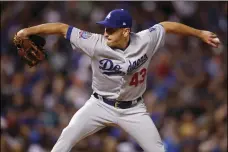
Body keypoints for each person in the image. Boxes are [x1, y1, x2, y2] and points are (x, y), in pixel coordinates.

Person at [15, 9, 220, 152]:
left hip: (133, 110)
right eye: (105, 28)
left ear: (125, 31)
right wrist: (29, 31)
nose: (105, 32)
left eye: (111, 29)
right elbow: (61, 28)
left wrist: (199, 33)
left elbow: (167, 26)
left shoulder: (146, 40)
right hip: (99, 104)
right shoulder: (95, 42)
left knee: (158, 150)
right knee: (66, 137)